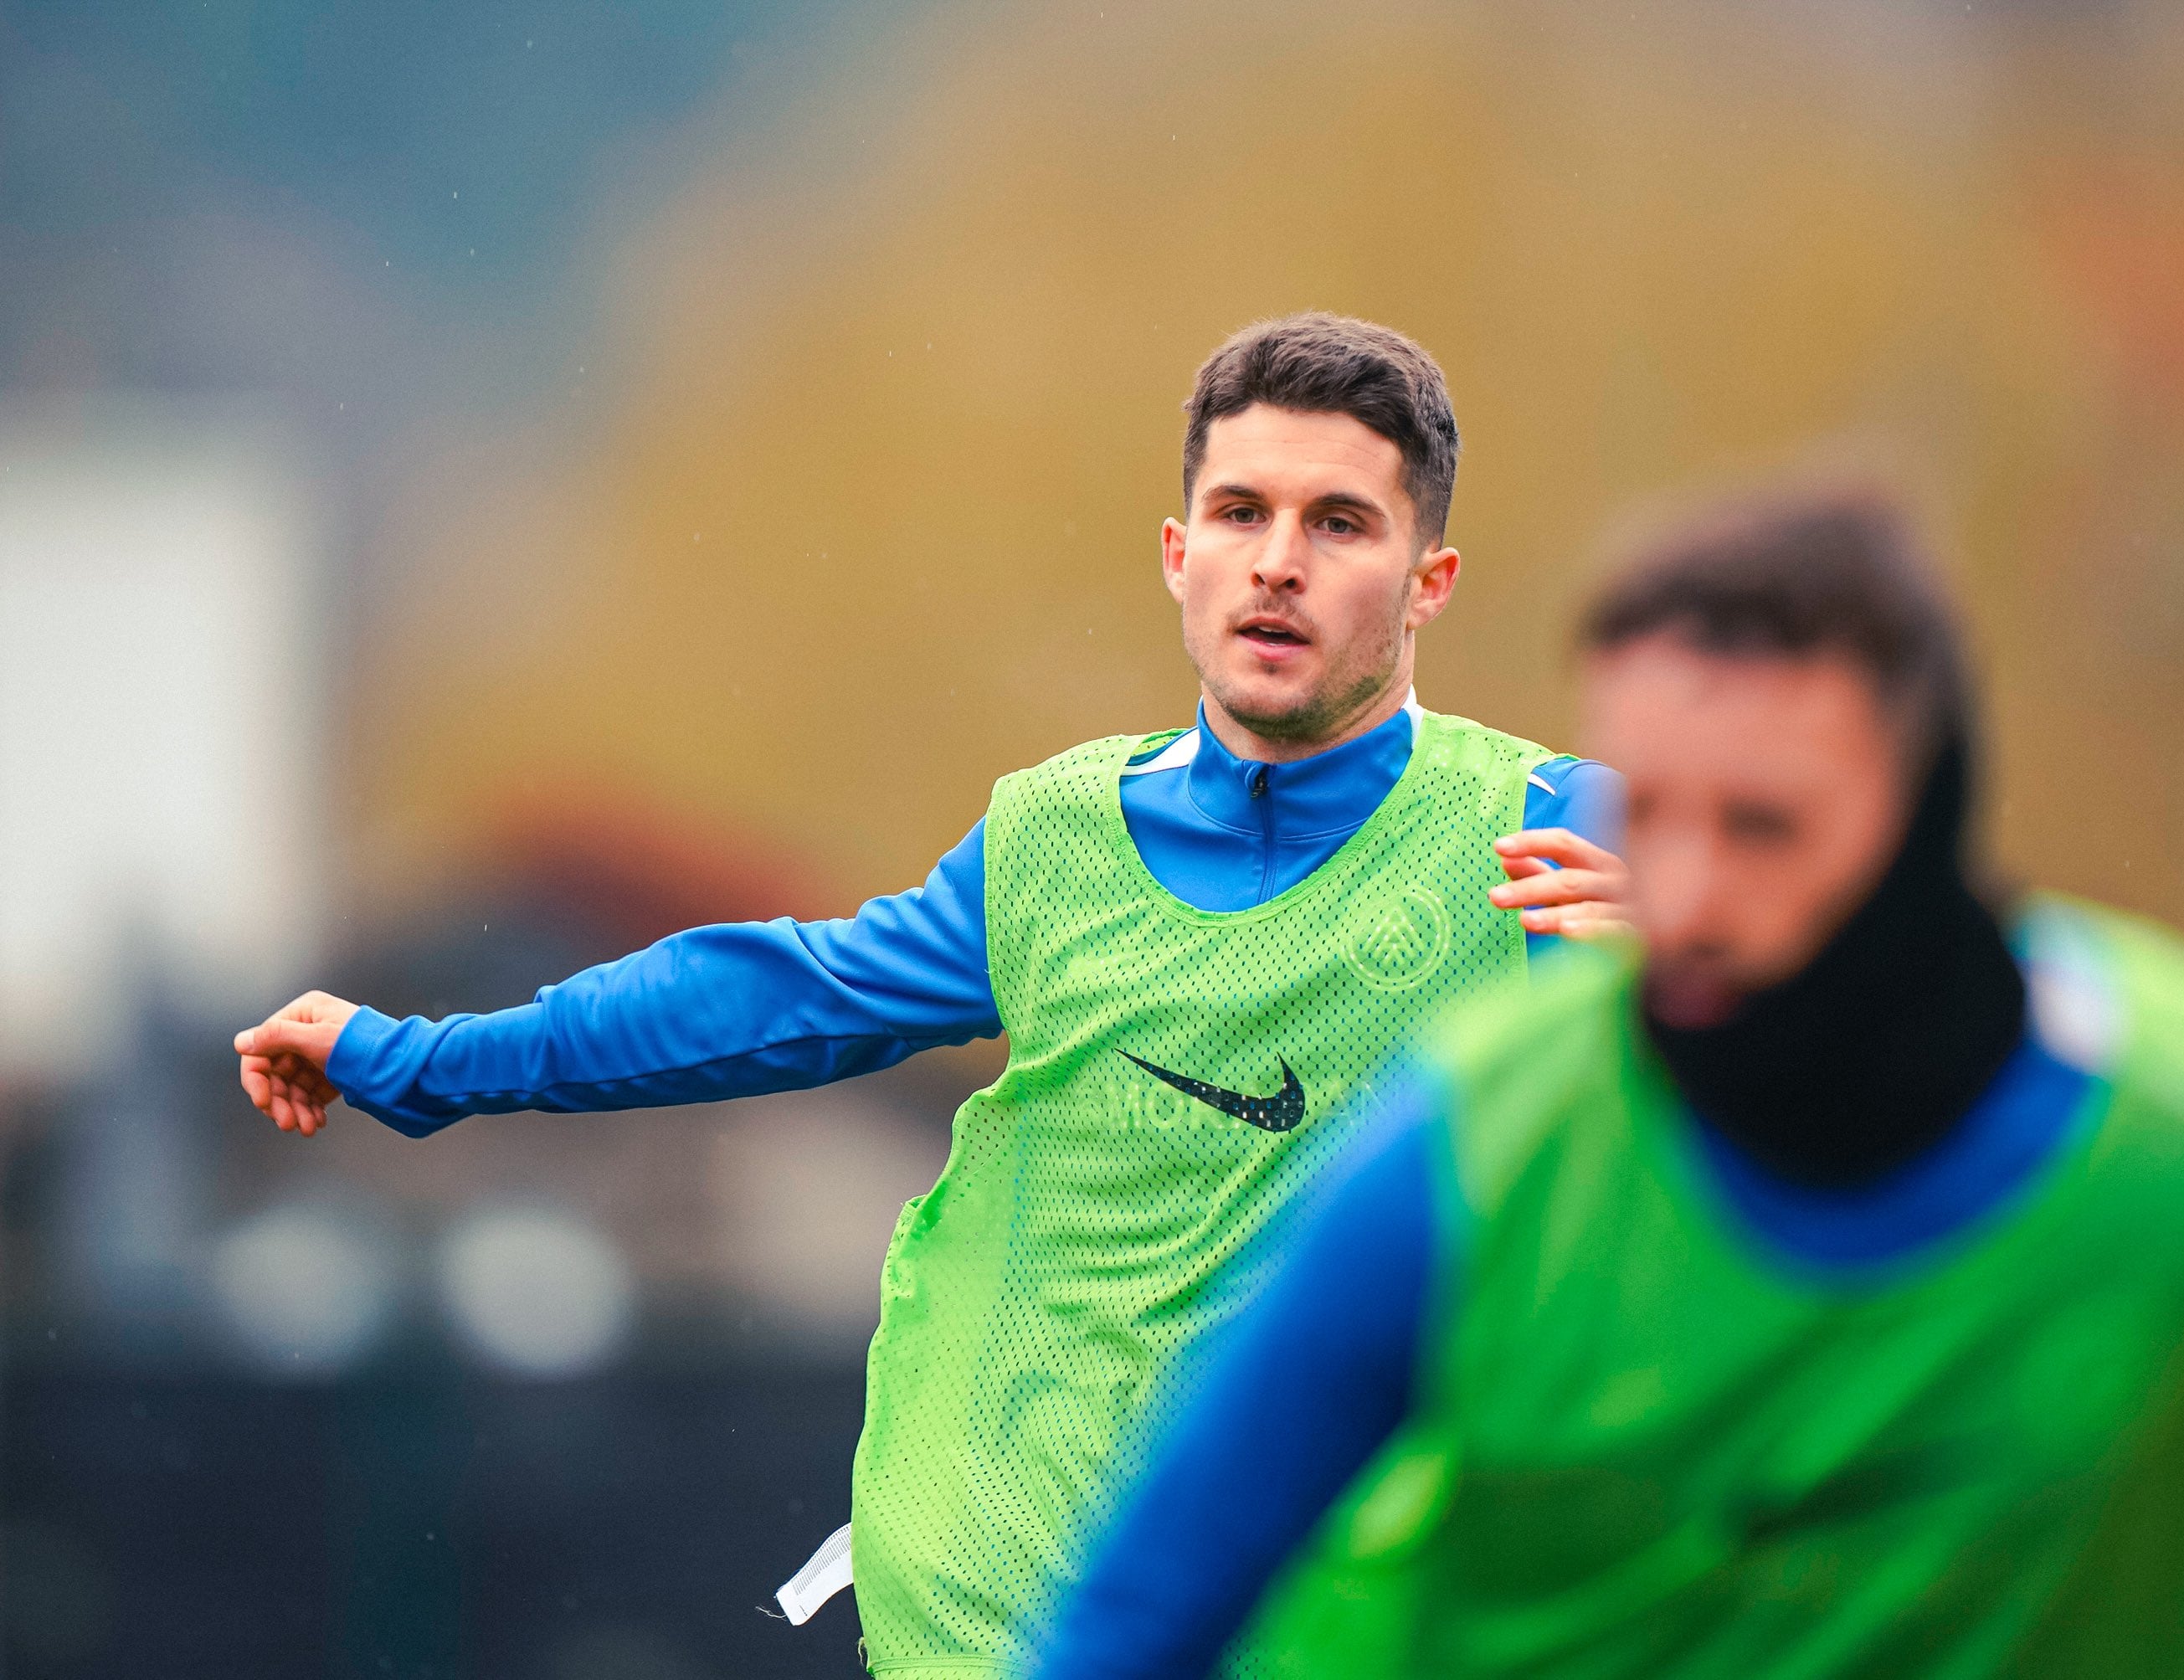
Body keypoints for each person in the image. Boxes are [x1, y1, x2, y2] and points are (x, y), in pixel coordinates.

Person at [230, 314, 1629, 1673]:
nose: (1277, 564)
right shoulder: (1049, 842)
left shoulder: (1561, 838)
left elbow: (1811, 1035)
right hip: (1006, 1597)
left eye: (1339, 524)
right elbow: (773, 997)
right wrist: (417, 1060)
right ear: (1176, 551)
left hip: (1348, 1599)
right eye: (1240, 511)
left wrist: (1737, 967)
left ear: (1428, 580)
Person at [1035, 491, 2184, 1678]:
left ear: (1926, 821)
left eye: (1762, 826)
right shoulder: (1477, 1145)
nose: (1676, 893)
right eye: (1650, 810)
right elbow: (1136, 1626)